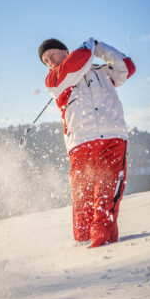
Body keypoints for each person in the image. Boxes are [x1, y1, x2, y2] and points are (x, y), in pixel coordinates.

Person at [38, 37, 136, 248]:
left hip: (113, 139)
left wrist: (101, 49)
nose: (49, 62)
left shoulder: (102, 71)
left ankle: (104, 247)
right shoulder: (54, 80)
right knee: (83, 201)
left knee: (106, 198)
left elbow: (127, 67)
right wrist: (89, 46)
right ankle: (82, 248)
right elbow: (77, 62)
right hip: (82, 144)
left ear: (65, 51)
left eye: (51, 55)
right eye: (45, 61)